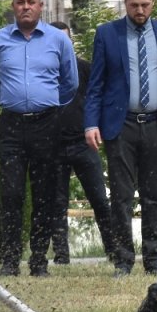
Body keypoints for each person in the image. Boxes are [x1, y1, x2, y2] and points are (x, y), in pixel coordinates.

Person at [84, 0, 157, 277]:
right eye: (134, 5)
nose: (140, 10)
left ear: (153, 2)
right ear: (125, 2)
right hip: (121, 126)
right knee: (121, 196)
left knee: (154, 195)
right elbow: (96, 85)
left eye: (145, 5)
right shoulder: (107, 34)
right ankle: (123, 260)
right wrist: (91, 123)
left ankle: (153, 259)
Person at [0, 0, 78, 278]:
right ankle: (10, 259)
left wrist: (46, 105)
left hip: (46, 124)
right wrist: (13, 101)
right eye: (20, 2)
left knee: (45, 194)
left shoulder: (58, 40)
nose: (26, 7)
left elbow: (70, 83)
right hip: (12, 125)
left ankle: (39, 259)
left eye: (31, 2)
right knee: (11, 193)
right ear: (13, 7)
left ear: (41, 6)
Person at [48, 21, 117, 264]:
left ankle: (113, 249)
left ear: (71, 41)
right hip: (53, 145)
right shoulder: (43, 70)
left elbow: (99, 98)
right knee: (56, 204)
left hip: (83, 143)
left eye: (65, 40)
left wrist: (98, 128)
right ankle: (61, 255)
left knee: (99, 198)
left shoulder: (85, 69)